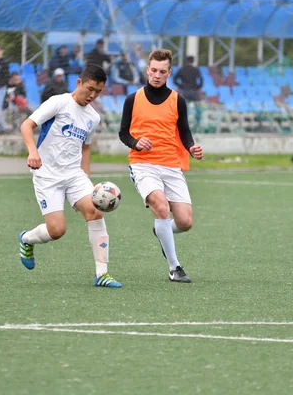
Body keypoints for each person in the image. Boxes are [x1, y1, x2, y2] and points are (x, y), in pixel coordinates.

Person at [18, 64, 122, 288]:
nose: (93, 96)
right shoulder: (58, 103)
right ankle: (26, 239)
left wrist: (88, 182)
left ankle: (102, 274)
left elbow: (85, 148)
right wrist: (33, 152)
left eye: (98, 92)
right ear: (79, 83)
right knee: (57, 231)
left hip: (74, 175)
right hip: (47, 175)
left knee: (95, 212)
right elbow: (27, 125)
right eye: (90, 89)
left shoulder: (93, 117)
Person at [118, 49, 204, 283]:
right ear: (147, 70)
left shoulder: (178, 100)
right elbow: (123, 133)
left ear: (169, 73)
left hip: (171, 166)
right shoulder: (132, 99)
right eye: (153, 70)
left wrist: (192, 148)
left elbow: (185, 132)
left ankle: (161, 229)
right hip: (142, 164)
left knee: (185, 222)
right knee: (161, 206)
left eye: (162, 72)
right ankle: (175, 267)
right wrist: (136, 143)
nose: (157, 75)